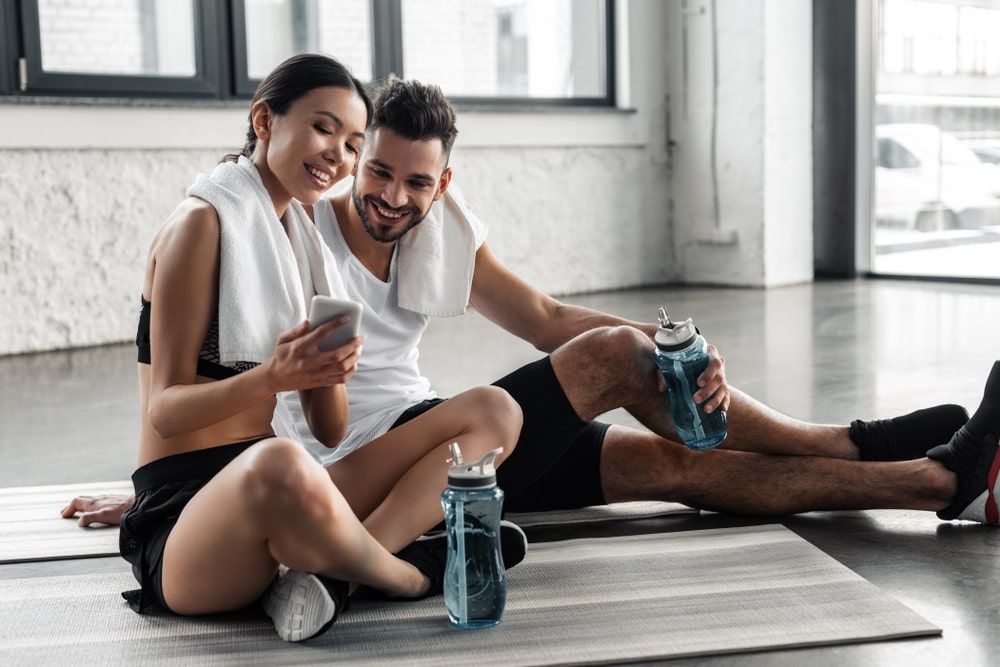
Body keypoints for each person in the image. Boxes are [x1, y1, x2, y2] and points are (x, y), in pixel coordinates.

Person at [66, 77, 1000, 538]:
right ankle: (843, 438)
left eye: (414, 181)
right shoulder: (292, 231)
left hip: (459, 451)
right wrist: (168, 495)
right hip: (366, 470)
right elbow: (207, 370)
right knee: (620, 357)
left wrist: (689, 350)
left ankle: (933, 483)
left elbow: (547, 316)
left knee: (682, 465)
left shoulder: (435, 231)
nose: (390, 196)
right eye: (375, 170)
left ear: (443, 183)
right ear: (354, 159)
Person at [82, 55, 525, 644]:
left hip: (281, 486)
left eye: (351, 143)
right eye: (323, 128)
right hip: (186, 523)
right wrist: (274, 375)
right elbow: (164, 409)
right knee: (280, 463)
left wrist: (328, 373)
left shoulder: (304, 245)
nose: (336, 157)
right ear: (264, 120)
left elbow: (331, 431)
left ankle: (334, 574)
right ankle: (411, 574)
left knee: (496, 411)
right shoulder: (201, 225)